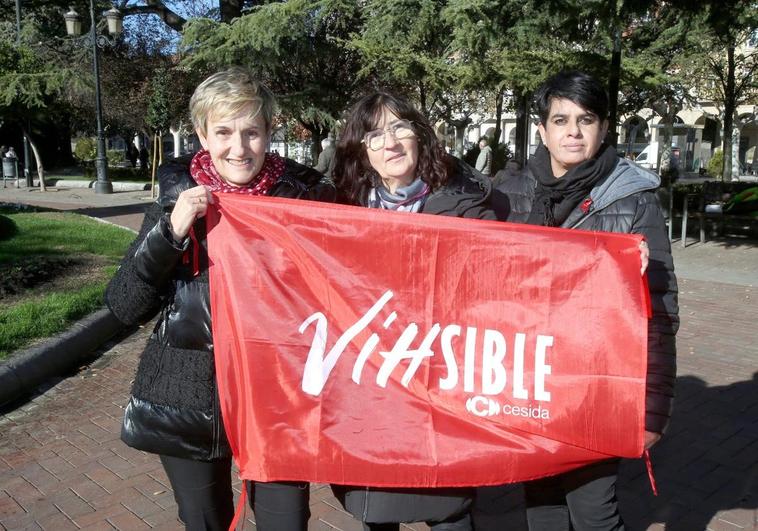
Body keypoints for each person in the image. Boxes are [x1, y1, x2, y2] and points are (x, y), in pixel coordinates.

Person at [105, 67, 335, 531]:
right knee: (204, 520)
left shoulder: (308, 199)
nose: (238, 147)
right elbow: (125, 305)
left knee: (286, 522)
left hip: (281, 396)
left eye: (251, 132)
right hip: (189, 393)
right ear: (202, 135)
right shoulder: (177, 199)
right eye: (224, 132)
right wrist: (170, 234)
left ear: (270, 132)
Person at [494, 71, 678, 531]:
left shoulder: (633, 199)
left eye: (585, 119)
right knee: (540, 500)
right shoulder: (508, 190)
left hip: (596, 382)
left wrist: (652, 407)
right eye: (561, 119)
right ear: (542, 130)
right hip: (529, 379)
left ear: (603, 128)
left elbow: (659, 307)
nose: (573, 131)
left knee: (594, 510)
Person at [331, 91, 496, 531]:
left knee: (448, 507)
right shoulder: (341, 210)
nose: (390, 142)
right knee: (378, 502)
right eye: (374, 134)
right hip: (371, 384)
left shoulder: (465, 204)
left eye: (399, 127)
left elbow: (494, 291)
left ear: (420, 135)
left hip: (441, 382)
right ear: (362, 151)